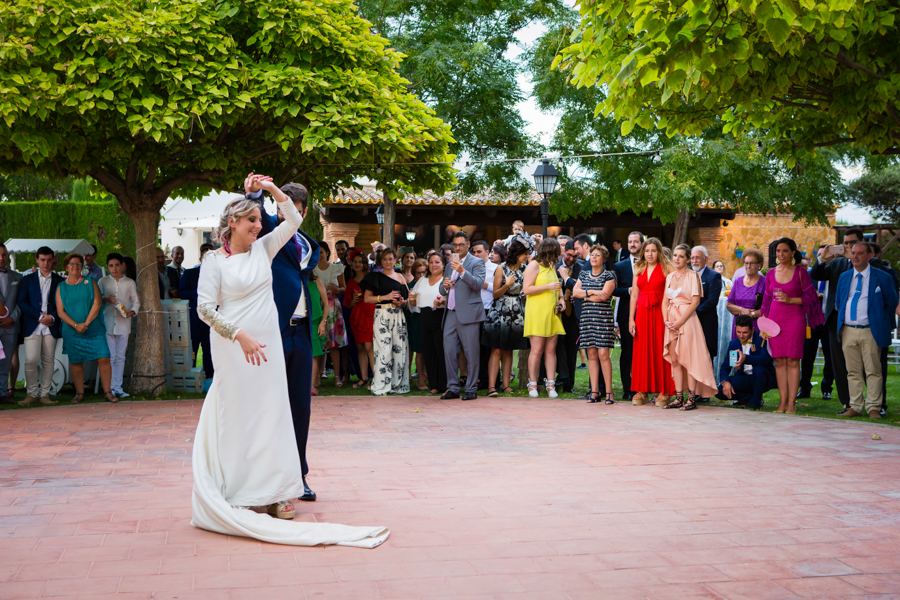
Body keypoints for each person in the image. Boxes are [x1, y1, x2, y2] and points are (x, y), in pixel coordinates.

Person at [191, 178, 387, 547]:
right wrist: (239, 336)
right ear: (232, 223)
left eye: (260, 222)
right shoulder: (213, 261)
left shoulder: (264, 249)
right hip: (234, 348)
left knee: (273, 412)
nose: (258, 227)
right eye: (251, 221)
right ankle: (243, 490)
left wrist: (271, 189)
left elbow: (293, 221)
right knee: (239, 415)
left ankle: (278, 489)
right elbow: (204, 308)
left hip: (267, 348)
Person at [245, 174, 320, 503]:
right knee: (270, 405)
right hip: (273, 330)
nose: (287, 213)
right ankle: (266, 476)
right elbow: (256, 213)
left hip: (301, 331)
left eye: (294, 208)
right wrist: (255, 193)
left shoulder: (306, 244)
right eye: (280, 206)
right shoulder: (270, 235)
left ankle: (299, 474)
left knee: (300, 406)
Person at [760, 237, 824, 414]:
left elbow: (811, 298)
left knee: (793, 360)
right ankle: (782, 403)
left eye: (785, 251)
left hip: (794, 319)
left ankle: (791, 404)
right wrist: (764, 325)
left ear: (793, 252)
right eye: (778, 251)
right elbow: (765, 301)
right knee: (779, 361)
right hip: (774, 319)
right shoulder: (770, 274)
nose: (781, 254)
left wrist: (790, 300)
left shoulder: (801, 273)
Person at [835, 242, 899, 419]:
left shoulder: (882, 277)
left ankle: (873, 407)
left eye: (860, 253)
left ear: (869, 256)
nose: (855, 256)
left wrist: (878, 319)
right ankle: (855, 406)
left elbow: (892, 302)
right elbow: (840, 302)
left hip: (871, 330)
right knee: (852, 371)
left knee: (873, 370)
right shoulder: (844, 277)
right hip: (848, 329)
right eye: (853, 253)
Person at [810, 227, 864, 409]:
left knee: (864, 363)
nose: (848, 246)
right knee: (839, 363)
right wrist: (821, 259)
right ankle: (847, 403)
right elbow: (816, 275)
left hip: (860, 320)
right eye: (846, 243)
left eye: (852, 242)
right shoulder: (837, 264)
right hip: (836, 319)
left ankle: (871, 402)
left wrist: (853, 258)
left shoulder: (868, 263)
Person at [661, 245, 718, 411]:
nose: (677, 259)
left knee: (690, 359)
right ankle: (679, 397)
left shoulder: (693, 276)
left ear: (687, 259)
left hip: (687, 320)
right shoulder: (670, 276)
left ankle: (691, 398)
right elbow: (665, 301)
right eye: (675, 255)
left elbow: (695, 302)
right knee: (675, 360)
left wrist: (679, 322)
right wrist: (666, 320)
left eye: (681, 256)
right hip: (671, 320)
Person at [55, 253, 115, 403]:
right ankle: (79, 393)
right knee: (76, 360)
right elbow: (60, 311)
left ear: (82, 267)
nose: (75, 266)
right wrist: (76, 325)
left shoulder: (90, 281)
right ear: (66, 267)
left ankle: (108, 391)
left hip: (93, 328)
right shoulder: (61, 287)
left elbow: (97, 303)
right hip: (72, 330)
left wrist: (86, 323)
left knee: (104, 356)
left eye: (78, 264)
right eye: (72, 264)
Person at [439, 231, 486, 401]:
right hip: (451, 311)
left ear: (468, 244)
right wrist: (444, 285)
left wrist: (463, 271)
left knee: (471, 352)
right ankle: (452, 387)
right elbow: (441, 289)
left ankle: (471, 388)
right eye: (455, 245)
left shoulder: (477, 262)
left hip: (469, 313)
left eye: (460, 244)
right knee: (449, 350)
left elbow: (478, 284)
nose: (457, 247)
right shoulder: (449, 264)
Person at [629, 237, 675, 406]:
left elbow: (678, 287)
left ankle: (664, 390)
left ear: (659, 252)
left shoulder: (667, 267)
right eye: (647, 251)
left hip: (661, 312)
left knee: (660, 348)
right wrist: (630, 319)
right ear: (643, 252)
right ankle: (642, 389)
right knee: (642, 349)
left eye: (653, 251)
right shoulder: (638, 268)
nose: (650, 254)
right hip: (642, 312)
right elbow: (634, 295)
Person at [483, 238, 530, 396]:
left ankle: (506, 385)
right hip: (500, 311)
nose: (527, 255)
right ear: (517, 254)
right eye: (525, 253)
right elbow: (495, 294)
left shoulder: (525, 269)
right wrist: (506, 285)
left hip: (516, 313)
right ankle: (491, 387)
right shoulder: (501, 269)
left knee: (509, 349)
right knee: (496, 349)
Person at [17, 246, 63, 406]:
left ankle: (44, 395)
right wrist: (38, 316)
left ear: (53, 261)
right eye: (43, 260)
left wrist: (52, 316)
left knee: (49, 360)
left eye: (49, 260)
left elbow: (63, 304)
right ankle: (31, 394)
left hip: (51, 324)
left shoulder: (59, 280)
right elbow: (21, 302)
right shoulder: (27, 280)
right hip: (33, 324)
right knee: (31, 360)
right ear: (37, 260)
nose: (46, 263)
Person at [361, 249, 410, 395]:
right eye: (385, 259)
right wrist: (384, 296)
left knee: (399, 349)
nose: (388, 262)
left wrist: (402, 302)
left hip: (398, 315)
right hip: (382, 313)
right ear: (380, 261)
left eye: (390, 259)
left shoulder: (400, 276)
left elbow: (407, 297)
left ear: (395, 260)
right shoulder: (374, 277)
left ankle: (397, 384)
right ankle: (382, 385)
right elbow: (367, 299)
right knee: (383, 349)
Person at [572, 244, 616, 403]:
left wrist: (586, 295)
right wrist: (593, 291)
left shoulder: (609, 276)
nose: (594, 258)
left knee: (603, 354)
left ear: (603, 258)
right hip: (587, 318)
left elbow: (603, 297)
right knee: (591, 354)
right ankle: (595, 391)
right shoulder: (583, 274)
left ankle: (609, 392)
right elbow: (574, 292)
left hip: (603, 318)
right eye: (592, 255)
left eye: (597, 255)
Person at [523, 238, 566, 398]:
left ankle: (550, 385)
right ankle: (532, 384)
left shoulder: (552, 266)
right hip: (537, 311)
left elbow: (557, 285)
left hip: (552, 312)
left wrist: (561, 298)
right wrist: (547, 287)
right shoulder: (534, 265)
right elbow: (526, 289)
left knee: (550, 350)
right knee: (537, 349)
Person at [98, 253, 140, 398]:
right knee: (110, 356)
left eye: (117, 265)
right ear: (107, 266)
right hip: (108, 323)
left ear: (122, 265)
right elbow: (96, 300)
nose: (114, 269)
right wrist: (104, 298)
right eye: (111, 265)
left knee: (120, 356)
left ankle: (118, 387)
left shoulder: (129, 283)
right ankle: (109, 387)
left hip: (124, 323)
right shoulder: (103, 282)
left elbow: (136, 301)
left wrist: (132, 312)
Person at [717, 315, 775, 410]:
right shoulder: (734, 343)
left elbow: (765, 360)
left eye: (745, 332)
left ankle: (755, 402)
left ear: (752, 330)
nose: (741, 335)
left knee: (758, 368)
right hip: (744, 377)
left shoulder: (761, 339)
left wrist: (746, 358)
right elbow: (726, 367)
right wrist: (725, 382)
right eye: (738, 332)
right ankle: (748, 398)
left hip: (762, 378)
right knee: (719, 391)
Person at [613, 231, 645, 400]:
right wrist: (628, 291)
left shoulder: (650, 264)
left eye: (636, 241)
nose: (632, 244)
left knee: (645, 354)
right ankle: (628, 389)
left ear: (642, 243)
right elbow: (614, 290)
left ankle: (644, 388)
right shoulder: (619, 266)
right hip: (626, 315)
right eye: (630, 241)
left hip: (647, 314)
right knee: (627, 353)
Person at [410, 253, 448, 394]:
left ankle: (445, 384)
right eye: (431, 262)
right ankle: (434, 384)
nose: (434, 265)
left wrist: (442, 301)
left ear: (443, 264)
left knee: (441, 350)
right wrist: (411, 298)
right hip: (424, 316)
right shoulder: (422, 281)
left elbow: (452, 299)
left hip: (440, 316)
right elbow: (414, 302)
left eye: (437, 262)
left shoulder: (446, 280)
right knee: (428, 351)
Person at [179, 243, 215, 381]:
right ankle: (191, 379)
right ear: (200, 258)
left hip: (212, 321)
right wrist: (200, 293)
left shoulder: (219, 275)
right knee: (192, 351)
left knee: (210, 352)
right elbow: (183, 292)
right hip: (194, 321)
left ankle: (210, 378)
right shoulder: (190, 273)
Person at [314, 242, 349, 387]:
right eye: (317, 252)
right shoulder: (312, 269)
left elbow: (344, 288)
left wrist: (337, 289)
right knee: (319, 342)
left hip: (332, 306)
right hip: (318, 306)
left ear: (327, 253)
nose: (319, 255)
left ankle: (336, 376)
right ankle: (317, 375)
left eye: (322, 252)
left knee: (334, 343)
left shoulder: (336, 268)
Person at [690, 246, 722, 400]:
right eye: (693, 257)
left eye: (698, 257)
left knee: (706, 358)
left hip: (705, 323)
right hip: (689, 324)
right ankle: (693, 390)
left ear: (706, 259)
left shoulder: (713, 276)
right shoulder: (688, 275)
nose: (695, 260)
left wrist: (691, 313)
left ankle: (705, 393)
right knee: (692, 358)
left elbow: (711, 302)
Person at [556, 240, 584, 394]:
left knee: (572, 349)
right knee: (556, 347)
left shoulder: (581, 268)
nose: (572, 259)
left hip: (573, 315)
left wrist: (576, 297)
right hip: (558, 313)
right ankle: (558, 378)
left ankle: (569, 385)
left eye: (575, 256)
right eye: (569, 255)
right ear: (564, 251)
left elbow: (583, 288)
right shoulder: (554, 267)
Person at [344, 251, 376, 389]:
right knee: (360, 347)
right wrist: (354, 300)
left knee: (370, 347)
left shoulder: (371, 279)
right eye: (355, 262)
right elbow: (347, 304)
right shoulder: (350, 283)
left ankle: (376, 378)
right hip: (356, 316)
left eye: (360, 262)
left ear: (365, 264)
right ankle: (364, 377)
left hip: (370, 314)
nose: (357, 264)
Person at [471, 240, 497, 393]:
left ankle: (492, 379)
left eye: (479, 251)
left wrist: (487, 286)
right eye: (474, 252)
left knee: (489, 347)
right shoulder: (470, 268)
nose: (476, 254)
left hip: (489, 310)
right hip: (473, 310)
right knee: (476, 347)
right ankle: (480, 378)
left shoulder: (495, 268)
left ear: (487, 252)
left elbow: (501, 288)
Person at [726, 248, 766, 338]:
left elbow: (768, 308)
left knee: (754, 350)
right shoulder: (738, 282)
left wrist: (752, 314)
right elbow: (729, 305)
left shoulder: (765, 282)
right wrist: (742, 310)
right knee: (736, 350)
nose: (748, 266)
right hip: (739, 326)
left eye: (752, 263)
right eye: (746, 263)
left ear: (759, 264)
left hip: (756, 325)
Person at [0, 243, 22, 403]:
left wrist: (12, 318)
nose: (1, 258)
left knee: (6, 362)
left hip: (11, 326)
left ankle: (2, 393)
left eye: (4, 254)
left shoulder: (18, 278)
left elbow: (23, 302)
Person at [406, 258, 429, 390]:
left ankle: (429, 375)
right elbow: (410, 307)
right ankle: (420, 379)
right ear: (414, 273)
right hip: (416, 319)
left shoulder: (432, 283)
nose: (421, 275)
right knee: (419, 351)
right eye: (418, 272)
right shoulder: (411, 286)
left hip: (430, 318)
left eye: (424, 272)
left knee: (429, 350)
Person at [308, 272, 329, 396]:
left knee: (314, 354)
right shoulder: (294, 278)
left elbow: (326, 304)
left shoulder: (316, 281)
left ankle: (312, 385)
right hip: (300, 322)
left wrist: (323, 322)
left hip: (316, 321)